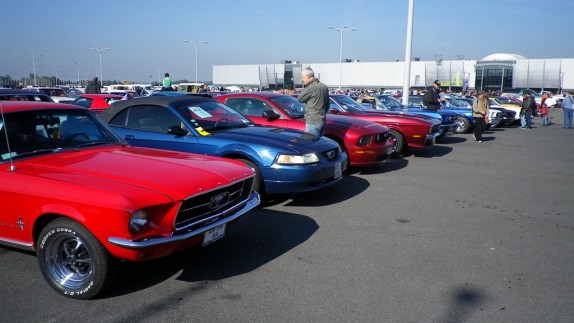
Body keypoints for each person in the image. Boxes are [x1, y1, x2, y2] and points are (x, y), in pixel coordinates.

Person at [297, 67, 329, 137]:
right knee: (319, 143)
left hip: (312, 121)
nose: (302, 80)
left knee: (310, 144)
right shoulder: (323, 86)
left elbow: (300, 99)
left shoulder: (311, 87)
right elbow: (327, 105)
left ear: (308, 77)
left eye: (302, 78)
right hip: (322, 120)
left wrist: (306, 87)